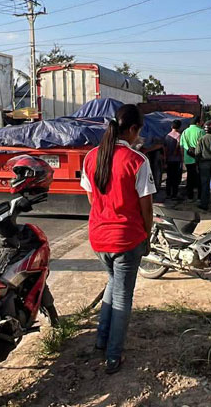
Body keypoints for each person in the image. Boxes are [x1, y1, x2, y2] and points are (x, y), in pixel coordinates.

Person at [80, 104, 155, 375]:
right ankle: (113, 356)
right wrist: (146, 235)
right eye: (139, 131)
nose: (139, 137)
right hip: (126, 239)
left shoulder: (92, 156)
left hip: (99, 237)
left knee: (113, 282)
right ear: (132, 129)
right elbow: (147, 208)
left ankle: (102, 340)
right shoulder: (137, 160)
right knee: (123, 297)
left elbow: (91, 198)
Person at [180, 115, 205, 202]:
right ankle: (199, 197)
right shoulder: (201, 131)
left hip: (188, 158)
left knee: (190, 177)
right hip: (199, 158)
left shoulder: (185, 132)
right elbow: (203, 146)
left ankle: (190, 197)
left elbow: (182, 146)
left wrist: (183, 158)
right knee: (199, 178)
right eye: (201, 121)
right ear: (197, 122)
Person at [197, 121, 211, 210]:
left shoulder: (201, 139)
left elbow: (197, 153)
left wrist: (197, 164)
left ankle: (204, 204)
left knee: (205, 185)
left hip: (204, 164)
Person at [164, 120, 183, 199]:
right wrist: (182, 158)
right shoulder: (179, 136)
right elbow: (180, 147)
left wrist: (165, 158)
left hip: (169, 159)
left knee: (169, 177)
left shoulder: (167, 136)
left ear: (171, 126)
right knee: (176, 177)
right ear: (179, 127)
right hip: (177, 160)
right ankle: (174, 194)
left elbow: (165, 148)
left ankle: (168, 193)